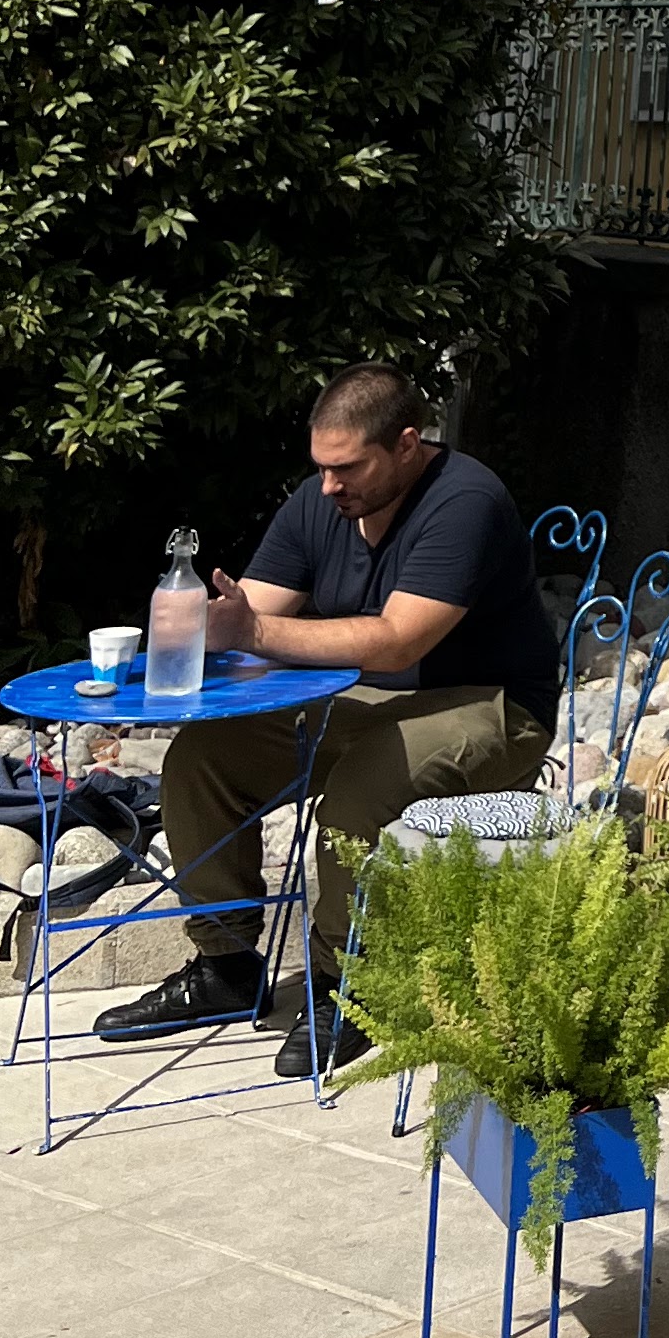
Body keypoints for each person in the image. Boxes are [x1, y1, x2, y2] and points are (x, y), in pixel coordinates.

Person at [96, 365, 560, 1075]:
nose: (329, 486)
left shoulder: (466, 501)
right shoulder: (324, 503)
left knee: (362, 788)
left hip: (492, 705)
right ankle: (225, 965)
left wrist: (251, 632)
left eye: (347, 468)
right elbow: (253, 610)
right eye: (321, 467)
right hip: (369, 700)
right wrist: (193, 632)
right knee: (202, 756)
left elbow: (398, 641)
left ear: (406, 444)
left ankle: (346, 983)